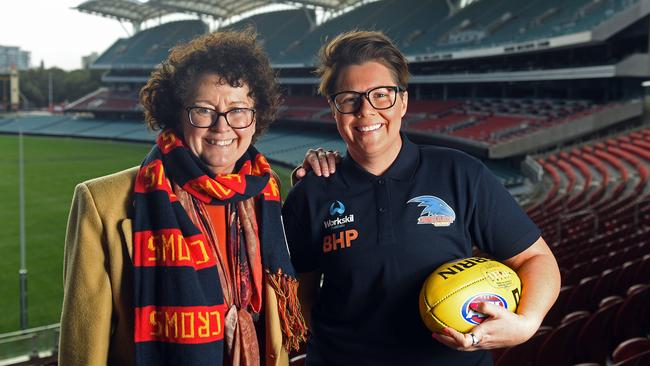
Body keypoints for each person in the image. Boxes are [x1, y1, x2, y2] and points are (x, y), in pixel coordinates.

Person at [281, 30, 561, 366]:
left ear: (403, 101)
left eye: (380, 95)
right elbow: (299, 291)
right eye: (349, 98)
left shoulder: (460, 173)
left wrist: (527, 323)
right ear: (334, 108)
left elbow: (536, 258)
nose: (365, 111)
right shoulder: (311, 192)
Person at [58, 29, 306, 366]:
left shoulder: (266, 190)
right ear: (178, 114)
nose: (222, 127)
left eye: (238, 110)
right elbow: (82, 354)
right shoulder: (102, 203)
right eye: (204, 110)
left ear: (255, 117)